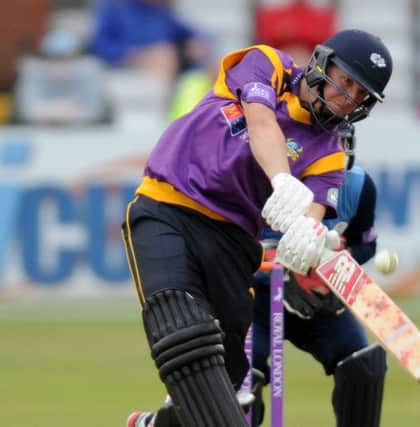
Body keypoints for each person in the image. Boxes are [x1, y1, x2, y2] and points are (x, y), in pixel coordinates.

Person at [122, 28, 392, 427]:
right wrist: (283, 179)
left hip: (234, 240)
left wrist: (308, 244)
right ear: (322, 61)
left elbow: (314, 216)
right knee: (183, 330)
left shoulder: (330, 155)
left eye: (360, 93)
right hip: (168, 204)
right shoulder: (267, 63)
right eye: (344, 80)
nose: (346, 96)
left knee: (231, 384)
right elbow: (262, 123)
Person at [250, 164, 387, 427]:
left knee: (363, 366)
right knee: (240, 374)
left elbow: (366, 244)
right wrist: (279, 265)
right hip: (255, 297)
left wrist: (336, 267)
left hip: (316, 303)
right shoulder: (256, 178)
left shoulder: (357, 186)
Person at [88, 0, 212, 81]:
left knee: (215, 68)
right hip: (127, 66)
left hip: (168, 63)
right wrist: (137, 55)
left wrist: (195, 43)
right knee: (165, 58)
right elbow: (100, 46)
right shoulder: (114, 7)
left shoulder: (159, 11)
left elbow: (189, 33)